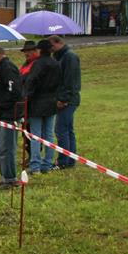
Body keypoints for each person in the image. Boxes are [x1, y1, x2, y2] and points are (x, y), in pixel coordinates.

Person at [0, 44, 22, 189]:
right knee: (1, 148)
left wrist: (1, 106)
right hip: (1, 116)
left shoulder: (8, 68)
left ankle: (10, 179)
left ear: (0, 53)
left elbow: (14, 92)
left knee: (7, 148)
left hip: (9, 115)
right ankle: (4, 176)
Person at [23, 39, 61, 174]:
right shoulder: (56, 64)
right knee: (49, 135)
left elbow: (31, 81)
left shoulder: (38, 64)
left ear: (40, 50)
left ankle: (35, 166)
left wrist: (26, 95)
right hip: (51, 102)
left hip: (37, 103)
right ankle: (47, 164)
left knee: (36, 136)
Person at [50, 35, 81, 170]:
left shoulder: (70, 57)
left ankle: (63, 161)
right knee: (68, 129)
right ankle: (70, 160)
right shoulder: (59, 57)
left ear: (58, 43)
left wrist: (63, 99)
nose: (50, 49)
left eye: (52, 46)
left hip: (68, 100)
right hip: (65, 98)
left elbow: (70, 81)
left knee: (61, 129)